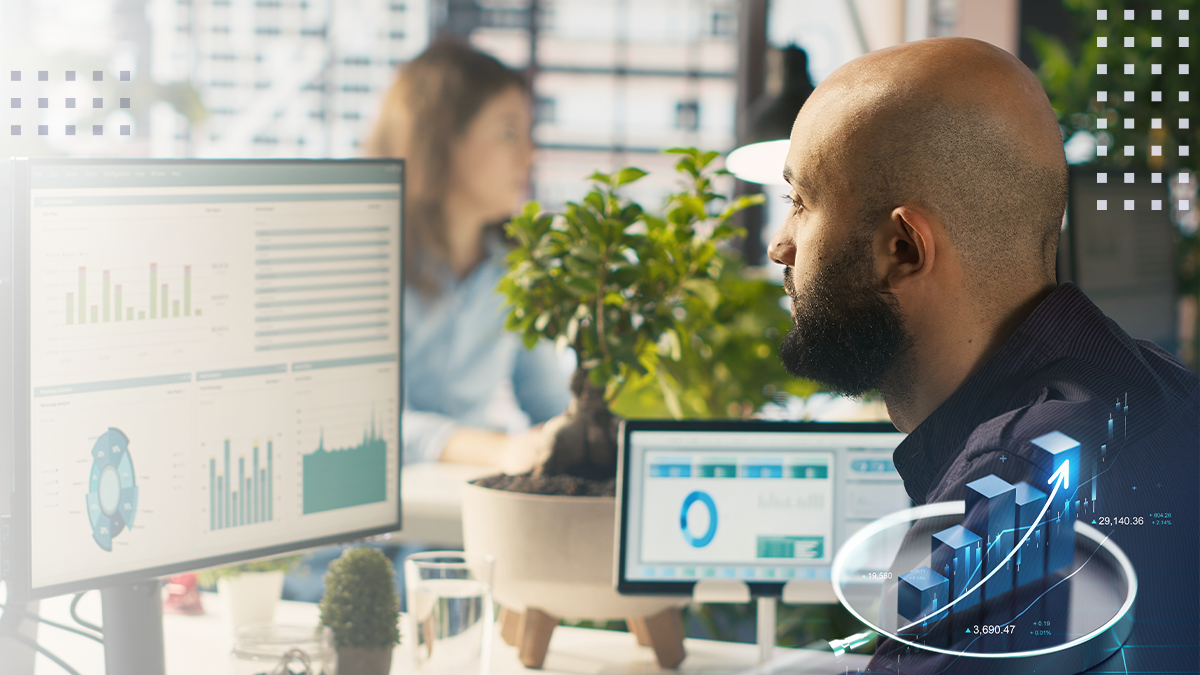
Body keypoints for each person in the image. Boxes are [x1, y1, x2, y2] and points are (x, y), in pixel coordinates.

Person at [767, 37, 1198, 673]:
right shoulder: (1158, 390)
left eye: (801, 202)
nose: (782, 246)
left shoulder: (1019, 494)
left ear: (904, 249)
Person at [364, 39, 571, 472]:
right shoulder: (365, 262)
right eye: (508, 132)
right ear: (442, 140)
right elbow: (367, 428)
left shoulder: (514, 270)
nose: (529, 156)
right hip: (372, 529)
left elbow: (550, 403)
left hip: (456, 521)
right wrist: (497, 450)